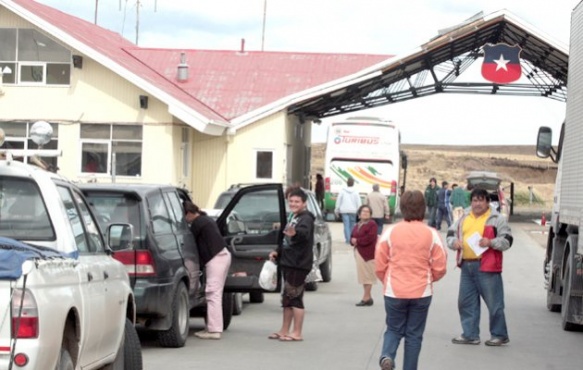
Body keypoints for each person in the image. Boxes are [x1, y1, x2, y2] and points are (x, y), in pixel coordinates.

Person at [375, 190, 447, 370]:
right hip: (421, 291)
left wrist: (387, 280)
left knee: (393, 328)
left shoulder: (390, 232)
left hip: (394, 290)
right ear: (423, 208)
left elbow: (379, 264)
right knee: (414, 335)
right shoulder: (431, 233)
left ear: (402, 207)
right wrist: (431, 278)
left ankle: (387, 355)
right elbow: (440, 266)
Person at [446, 187, 513, 346]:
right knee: (466, 302)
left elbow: (508, 240)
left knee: (494, 303)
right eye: (475, 200)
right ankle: (470, 334)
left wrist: (491, 242)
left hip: (487, 267)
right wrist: (453, 243)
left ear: (488, 202)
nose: (477, 204)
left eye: (481, 200)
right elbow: (450, 234)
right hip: (466, 266)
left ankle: (499, 335)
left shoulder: (496, 219)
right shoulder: (464, 217)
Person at [268, 188, 315, 342]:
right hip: (288, 261)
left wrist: (296, 232)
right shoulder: (293, 216)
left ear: (304, 203)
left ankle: (297, 332)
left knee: (295, 297)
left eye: (297, 202)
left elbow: (303, 233)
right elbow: (286, 240)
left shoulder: (306, 218)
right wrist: (277, 252)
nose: (293, 204)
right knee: (286, 298)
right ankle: (284, 330)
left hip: (298, 264)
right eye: (291, 201)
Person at [184, 201, 232, 340]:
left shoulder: (198, 223)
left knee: (212, 293)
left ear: (189, 213)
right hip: (221, 256)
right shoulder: (205, 219)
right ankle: (213, 326)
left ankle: (214, 330)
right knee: (215, 293)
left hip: (216, 258)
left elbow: (189, 241)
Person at [350, 205, 378, 307]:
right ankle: (368, 297)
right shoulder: (358, 224)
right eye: (363, 211)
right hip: (359, 252)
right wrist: (352, 241)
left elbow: (370, 238)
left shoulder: (372, 224)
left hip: (368, 254)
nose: (365, 213)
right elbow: (352, 235)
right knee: (363, 276)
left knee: (368, 276)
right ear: (359, 213)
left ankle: (366, 298)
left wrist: (358, 241)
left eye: (367, 212)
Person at [335, 177, 362, 244]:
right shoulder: (356, 192)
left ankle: (348, 239)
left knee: (346, 225)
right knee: (352, 225)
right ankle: (351, 238)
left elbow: (339, 201)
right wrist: (359, 210)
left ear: (347, 183)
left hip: (344, 210)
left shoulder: (342, 191)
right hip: (353, 211)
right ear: (353, 184)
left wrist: (337, 209)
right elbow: (358, 202)